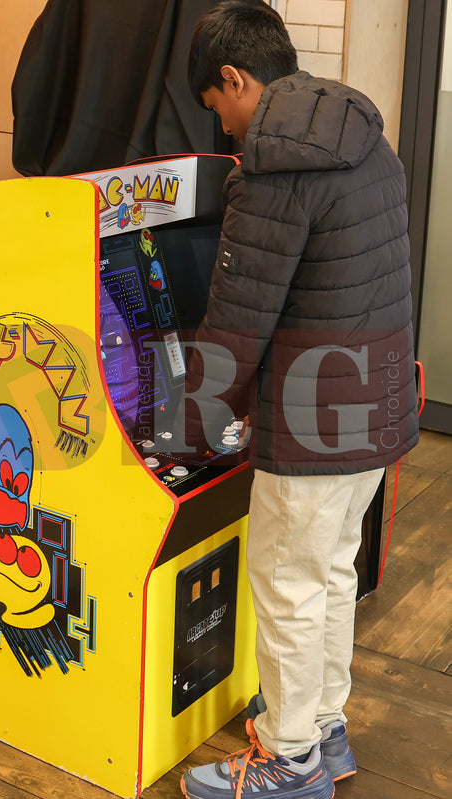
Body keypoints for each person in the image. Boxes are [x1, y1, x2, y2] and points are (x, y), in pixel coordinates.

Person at [178, 2, 419, 798]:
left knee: (286, 582)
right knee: (330, 571)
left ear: (236, 78)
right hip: (374, 403)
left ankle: (287, 760)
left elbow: (237, 321)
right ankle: (321, 726)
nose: (227, 135)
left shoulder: (275, 165)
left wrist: (187, 428)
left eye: (221, 112)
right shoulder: (359, 133)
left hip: (313, 421)